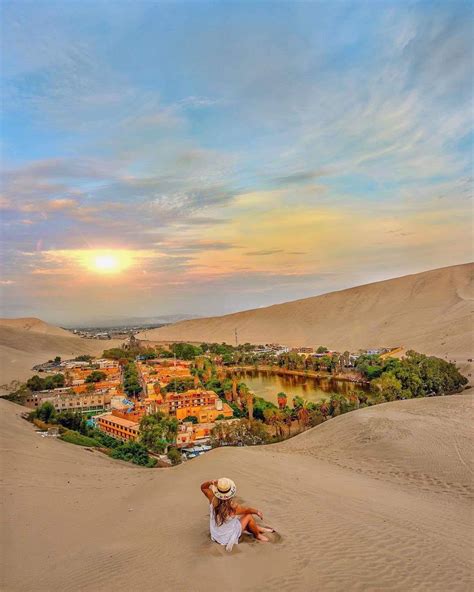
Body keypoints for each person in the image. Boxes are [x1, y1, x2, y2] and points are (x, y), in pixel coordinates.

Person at [200, 477, 273, 551]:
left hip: (216, 534)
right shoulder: (233, 507)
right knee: (248, 516)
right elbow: (247, 510)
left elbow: (203, 488)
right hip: (227, 538)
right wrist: (257, 512)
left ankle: (258, 528)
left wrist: (210, 482)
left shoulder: (212, 497)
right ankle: (257, 535)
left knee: (236, 518)